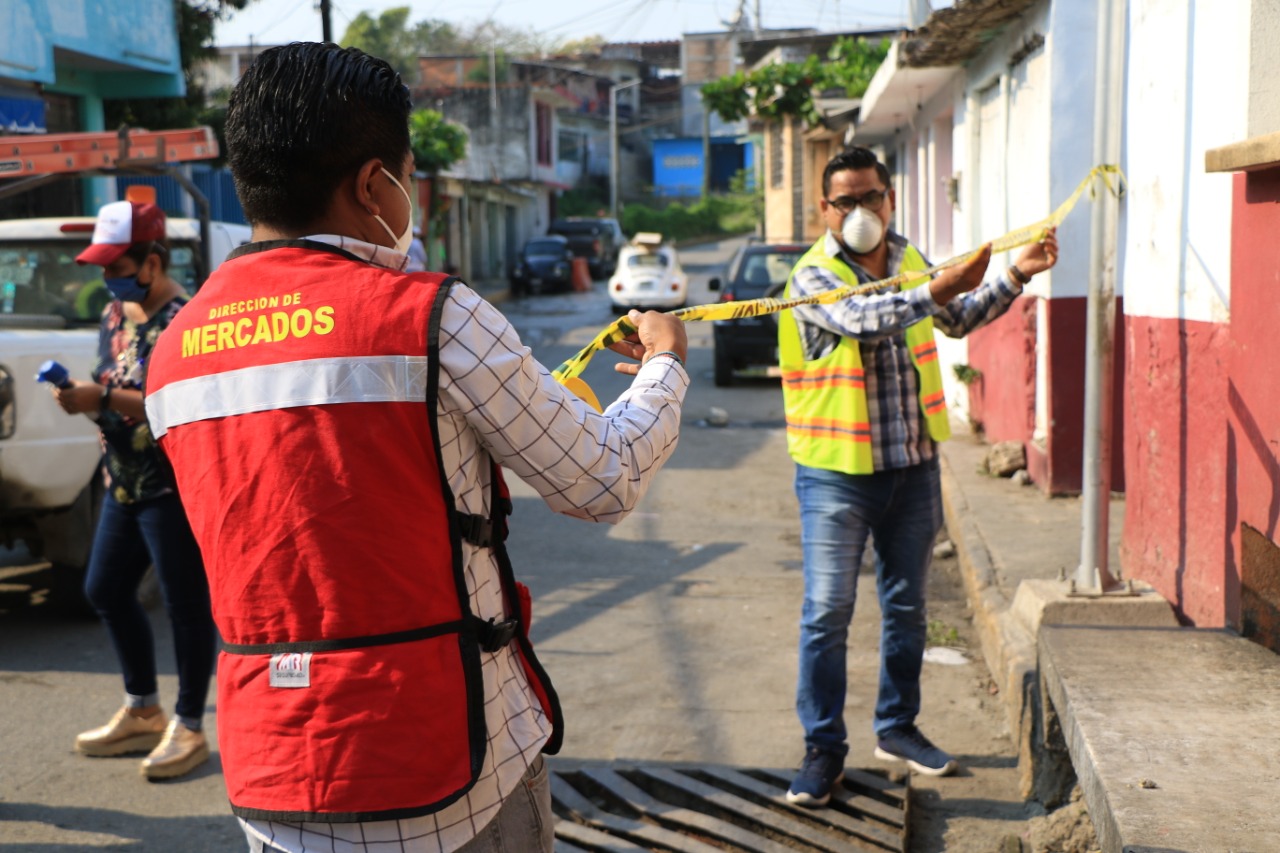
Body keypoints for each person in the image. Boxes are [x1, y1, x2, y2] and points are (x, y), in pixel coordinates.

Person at [143, 43, 688, 853]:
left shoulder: (176, 351)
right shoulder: (431, 317)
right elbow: (600, 478)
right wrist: (666, 365)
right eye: (404, 174)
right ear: (374, 185)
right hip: (449, 770)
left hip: (277, 775)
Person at [779, 147, 1058, 806]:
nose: (858, 211)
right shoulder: (813, 276)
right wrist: (936, 288)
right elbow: (865, 320)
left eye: (868, 196)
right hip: (835, 474)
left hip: (912, 466)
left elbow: (956, 318)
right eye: (843, 200)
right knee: (828, 611)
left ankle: (897, 728)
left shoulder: (910, 259)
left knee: (908, 608)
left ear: (889, 198)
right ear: (825, 209)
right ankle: (823, 750)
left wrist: (1016, 272)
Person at [54, 199, 218, 781]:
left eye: (118, 265)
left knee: (185, 607)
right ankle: (143, 707)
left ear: (153, 262)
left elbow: (181, 405)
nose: (108, 278)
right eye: (102, 267)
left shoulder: (188, 320)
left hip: (174, 487)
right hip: (122, 482)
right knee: (104, 588)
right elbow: (112, 385)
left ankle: (190, 724)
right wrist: (85, 402)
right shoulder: (115, 314)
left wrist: (100, 400)